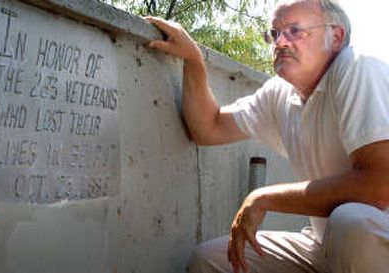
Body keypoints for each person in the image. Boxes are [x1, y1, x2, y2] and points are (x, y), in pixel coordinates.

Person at [145, 0, 389, 272]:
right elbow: (208, 128)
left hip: (375, 241)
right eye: (275, 33)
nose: (281, 42)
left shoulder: (358, 67)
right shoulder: (280, 94)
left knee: (351, 222)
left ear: (336, 37)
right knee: (211, 261)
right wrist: (193, 60)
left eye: (296, 30)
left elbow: (378, 187)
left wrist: (264, 197)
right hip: (325, 246)